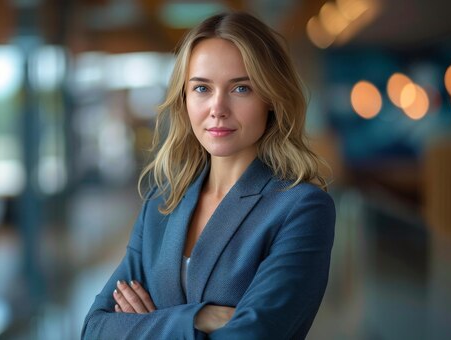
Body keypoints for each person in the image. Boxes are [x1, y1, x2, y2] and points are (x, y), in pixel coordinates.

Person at [82, 11, 335, 339]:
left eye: (241, 88)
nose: (218, 108)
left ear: (271, 97)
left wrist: (148, 326)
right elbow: (95, 328)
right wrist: (203, 317)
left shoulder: (301, 207)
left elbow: (255, 335)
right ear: (184, 98)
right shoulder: (163, 201)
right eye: (202, 88)